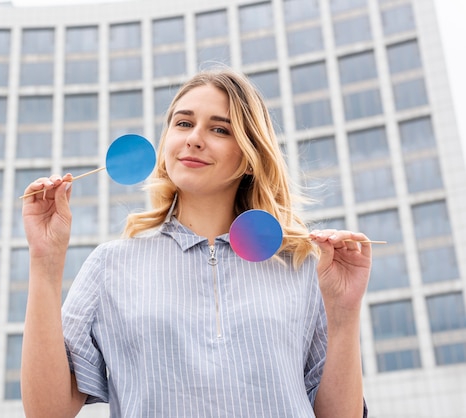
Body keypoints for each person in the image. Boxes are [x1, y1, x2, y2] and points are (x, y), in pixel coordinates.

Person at [20, 68, 370, 417]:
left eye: (219, 129)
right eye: (183, 123)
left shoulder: (304, 267)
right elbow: (47, 412)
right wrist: (45, 259)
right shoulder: (110, 265)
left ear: (250, 157)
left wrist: (344, 313)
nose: (194, 139)